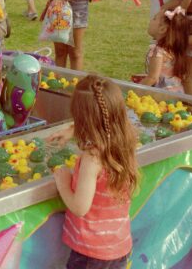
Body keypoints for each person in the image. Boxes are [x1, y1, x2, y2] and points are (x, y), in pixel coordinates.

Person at [52, 75, 138, 269]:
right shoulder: (125, 140)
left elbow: (80, 207)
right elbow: (103, 124)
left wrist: (64, 182)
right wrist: (73, 130)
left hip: (91, 254)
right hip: (118, 245)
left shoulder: (92, 159)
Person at [140, 7, 190, 93]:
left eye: (154, 19)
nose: (151, 21)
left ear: (162, 29)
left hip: (163, 96)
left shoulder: (157, 52)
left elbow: (153, 78)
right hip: (177, 94)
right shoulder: (173, 50)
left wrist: (135, 89)